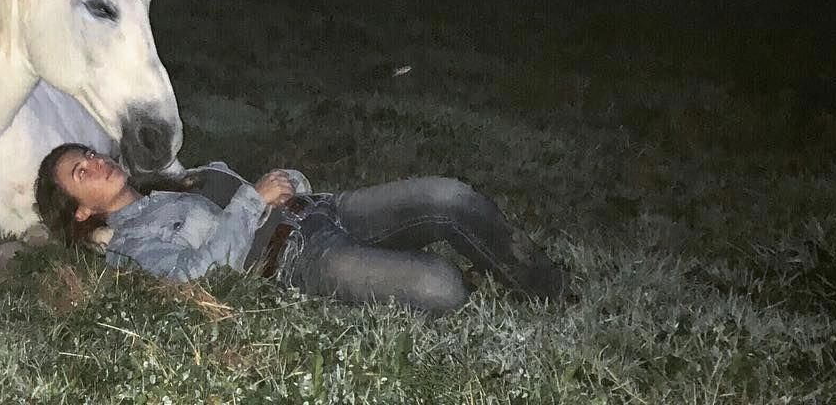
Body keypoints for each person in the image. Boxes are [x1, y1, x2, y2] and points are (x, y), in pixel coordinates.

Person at [35, 144, 569, 315]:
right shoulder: (127, 248)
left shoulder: (185, 178)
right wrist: (251, 200)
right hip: (294, 260)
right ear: (81, 212)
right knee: (441, 286)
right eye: (82, 172)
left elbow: (271, 185)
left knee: (448, 196)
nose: (97, 160)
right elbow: (194, 276)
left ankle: (550, 293)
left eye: (90, 153)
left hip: (323, 210)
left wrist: (287, 180)